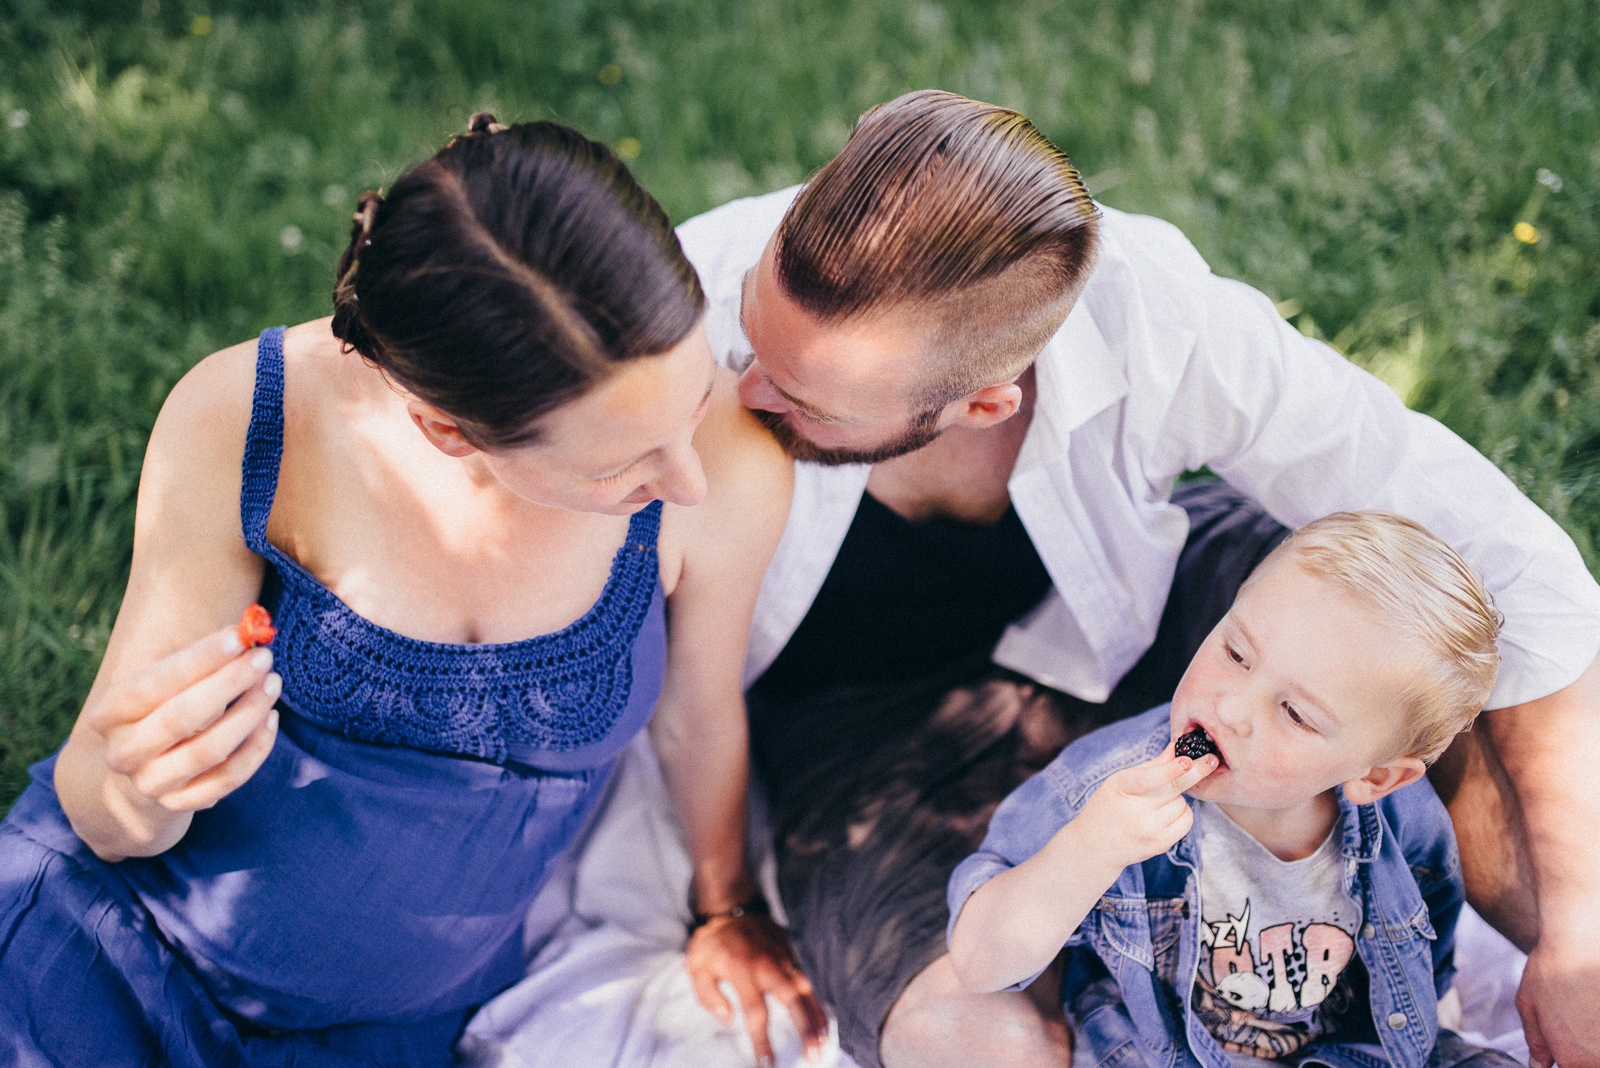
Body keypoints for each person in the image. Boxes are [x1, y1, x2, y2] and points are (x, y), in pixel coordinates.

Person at [662, 89, 1600, 1068]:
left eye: (804, 397)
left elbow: (1516, 565)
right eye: (753, 346)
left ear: (987, 401)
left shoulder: (1148, 311)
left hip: (1156, 630)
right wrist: (719, 900)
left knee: (1416, 650)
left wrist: (1579, 934)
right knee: (964, 1036)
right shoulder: (681, 320)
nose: (746, 389)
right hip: (861, 723)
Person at [0, 115, 825, 1066]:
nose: (686, 478)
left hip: (385, 1037)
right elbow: (98, 803)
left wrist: (723, 906)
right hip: (120, 954)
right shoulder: (249, 418)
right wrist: (144, 789)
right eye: (619, 466)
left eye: (688, 405)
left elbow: (697, 711)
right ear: (448, 430)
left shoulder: (730, 467)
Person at [948, 511, 1517, 1068]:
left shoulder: (1405, 825)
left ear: (1374, 777)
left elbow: (1427, 946)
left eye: (1295, 713)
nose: (1232, 708)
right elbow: (980, 961)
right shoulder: (1105, 793)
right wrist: (1090, 849)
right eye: (1236, 653)